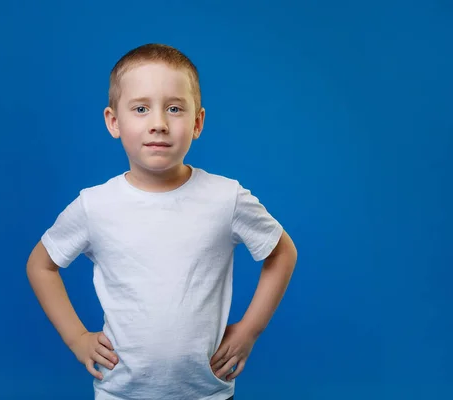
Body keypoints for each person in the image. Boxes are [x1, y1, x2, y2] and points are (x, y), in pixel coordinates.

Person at [26, 43, 298, 400]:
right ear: (114, 122)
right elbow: (40, 265)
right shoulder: (95, 206)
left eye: (174, 108)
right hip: (121, 393)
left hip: (207, 393)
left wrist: (249, 330)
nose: (158, 124)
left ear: (197, 122)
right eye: (141, 109)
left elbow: (282, 253)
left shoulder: (226, 198)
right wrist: (77, 338)